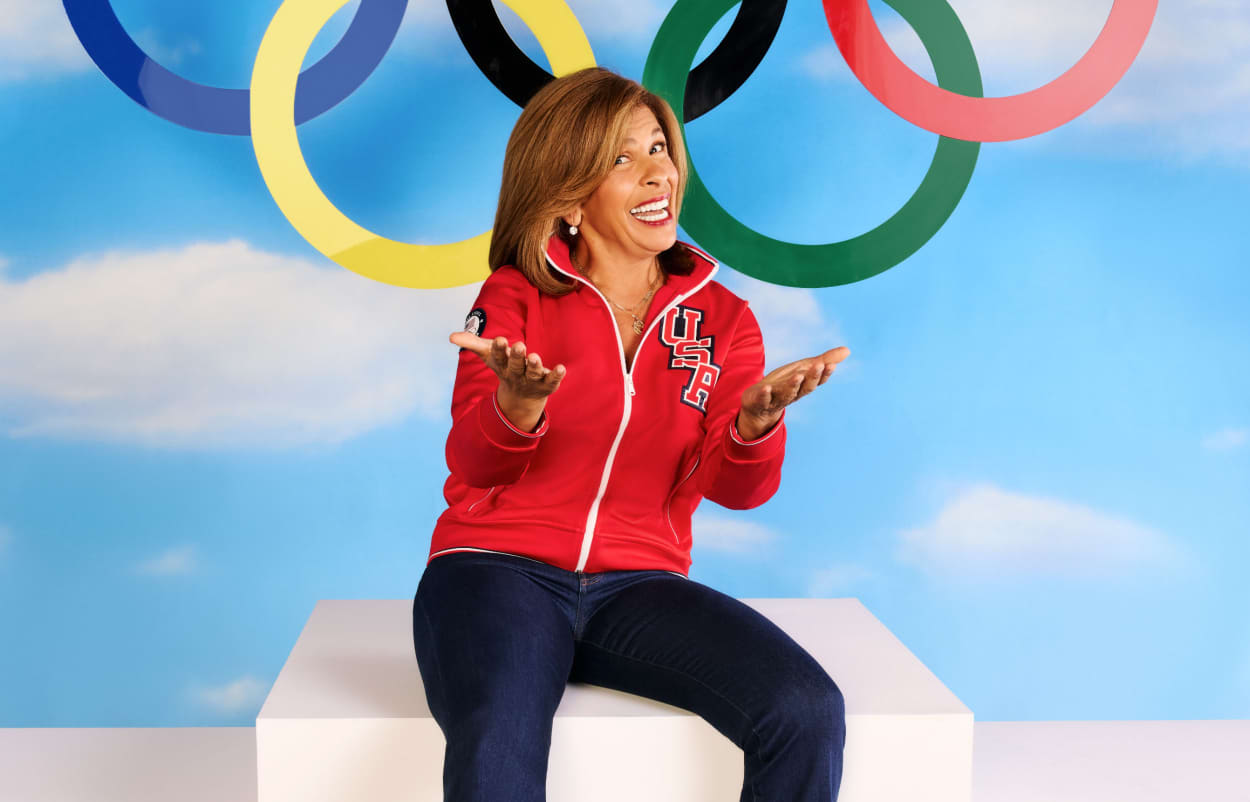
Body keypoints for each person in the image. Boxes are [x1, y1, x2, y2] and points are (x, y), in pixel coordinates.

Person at [412, 66, 851, 801]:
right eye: (623, 159)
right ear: (567, 198)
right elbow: (474, 462)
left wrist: (753, 423)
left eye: (659, 148)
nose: (659, 173)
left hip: (636, 587)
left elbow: (739, 491)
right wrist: (517, 406)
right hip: (496, 573)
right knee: (501, 738)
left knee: (806, 709)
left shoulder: (725, 322)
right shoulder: (515, 297)